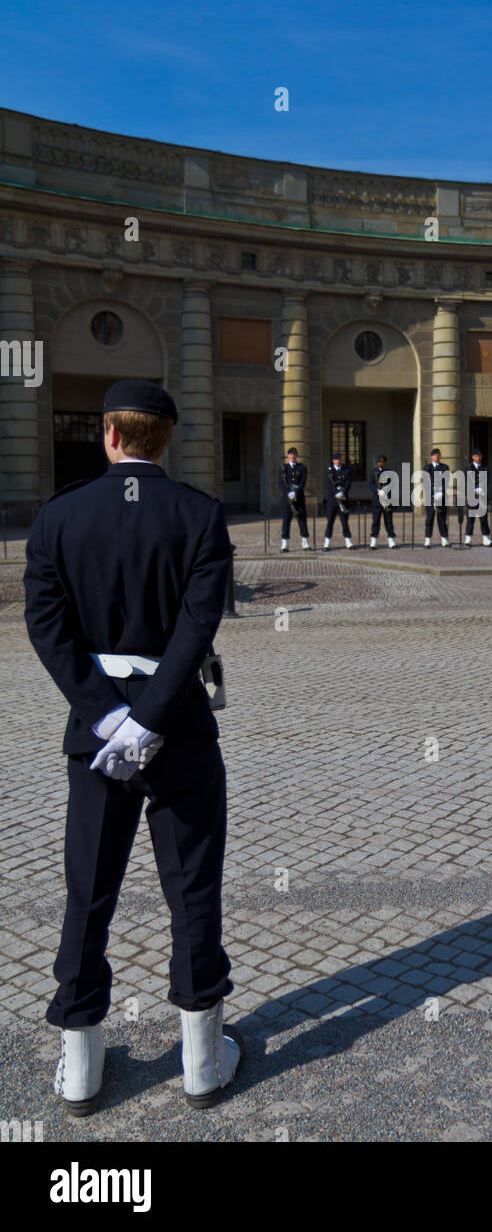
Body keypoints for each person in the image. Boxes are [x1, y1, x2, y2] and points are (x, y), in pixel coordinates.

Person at [23, 380, 242, 1116]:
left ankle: (81, 1067)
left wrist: (109, 720)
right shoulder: (201, 517)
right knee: (193, 891)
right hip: (178, 730)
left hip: (95, 740)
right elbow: (195, 630)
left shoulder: (59, 517)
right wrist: (149, 720)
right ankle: (203, 1064)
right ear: (163, 440)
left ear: (110, 437)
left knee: (89, 892)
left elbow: (47, 629)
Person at [279, 446, 309, 551]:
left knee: (302, 520)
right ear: (288, 455)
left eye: (294, 454)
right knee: (286, 520)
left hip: (299, 498)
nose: (293, 456)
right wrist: (288, 492)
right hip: (287, 500)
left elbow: (303, 481)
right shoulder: (284, 468)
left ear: (297, 455)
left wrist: (295, 492)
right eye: (291, 454)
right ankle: (284, 544)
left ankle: (305, 543)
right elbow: (281, 483)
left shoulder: (302, 467)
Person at [324, 452, 354, 550]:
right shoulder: (329, 471)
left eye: (339, 459)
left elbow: (348, 483)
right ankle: (327, 543)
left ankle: (348, 541)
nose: (338, 461)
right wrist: (336, 493)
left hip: (343, 499)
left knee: (344, 521)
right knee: (330, 521)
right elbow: (328, 484)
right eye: (336, 459)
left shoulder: (347, 471)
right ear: (333, 460)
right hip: (332, 500)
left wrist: (342, 492)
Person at [463, 448, 492, 546]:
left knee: (483, 518)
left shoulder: (485, 468)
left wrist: (481, 488)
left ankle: (486, 538)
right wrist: (475, 488)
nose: (478, 458)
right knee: (470, 518)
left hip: (482, 496)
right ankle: (468, 538)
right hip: (472, 496)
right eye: (476, 456)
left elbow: (486, 480)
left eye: (479, 456)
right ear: (472, 457)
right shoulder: (468, 468)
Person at [423, 448, 450, 547]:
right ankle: (427, 539)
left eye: (438, 454)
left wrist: (441, 493)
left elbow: (446, 481)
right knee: (429, 518)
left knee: (442, 519)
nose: (436, 456)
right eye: (434, 455)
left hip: (441, 498)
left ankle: (444, 539)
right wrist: (432, 494)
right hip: (430, 498)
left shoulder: (445, 467)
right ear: (431, 457)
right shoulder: (427, 468)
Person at [369, 454, 397, 548]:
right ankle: (374, 540)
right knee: (376, 521)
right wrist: (378, 491)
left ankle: (391, 540)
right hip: (377, 500)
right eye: (380, 462)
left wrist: (386, 491)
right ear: (377, 463)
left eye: (383, 462)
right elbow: (371, 484)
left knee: (389, 521)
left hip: (387, 499)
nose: (381, 463)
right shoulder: (373, 472)